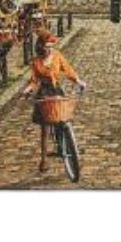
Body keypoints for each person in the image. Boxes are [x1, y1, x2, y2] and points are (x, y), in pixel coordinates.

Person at [23, 30, 83, 176]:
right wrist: (28, 89)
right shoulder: (37, 62)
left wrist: (78, 81)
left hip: (57, 91)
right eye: (47, 46)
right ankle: (43, 160)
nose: (49, 49)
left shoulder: (57, 56)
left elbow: (68, 69)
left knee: (62, 117)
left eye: (51, 46)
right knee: (45, 129)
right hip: (44, 93)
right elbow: (34, 80)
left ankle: (68, 144)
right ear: (41, 46)